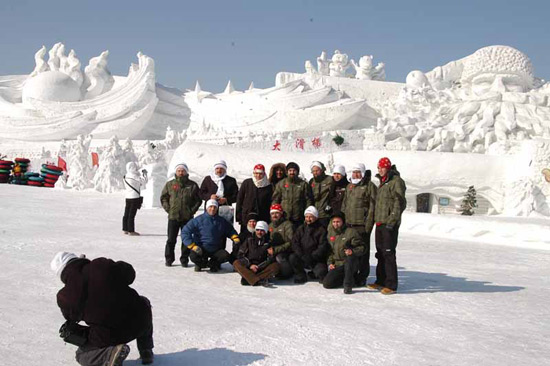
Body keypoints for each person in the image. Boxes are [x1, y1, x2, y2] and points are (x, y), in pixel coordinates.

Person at [51, 252, 154, 366]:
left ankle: (110, 354)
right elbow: (129, 273)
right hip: (141, 320)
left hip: (110, 335)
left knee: (81, 355)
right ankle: (146, 350)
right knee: (143, 303)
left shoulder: (64, 296)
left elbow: (71, 317)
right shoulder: (101, 264)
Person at [368, 157, 407, 295]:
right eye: (378, 167)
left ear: (388, 168)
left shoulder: (396, 182)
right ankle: (380, 280)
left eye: (382, 167)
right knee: (380, 253)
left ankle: (391, 284)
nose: (380, 169)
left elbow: (399, 202)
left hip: (389, 224)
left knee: (389, 254)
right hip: (380, 223)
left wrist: (392, 221)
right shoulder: (383, 182)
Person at [341, 163, 377, 286]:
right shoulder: (349, 186)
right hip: (349, 224)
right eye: (354, 172)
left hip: (361, 225)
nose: (356, 174)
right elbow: (344, 204)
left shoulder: (369, 186)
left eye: (358, 172)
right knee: (351, 251)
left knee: (363, 252)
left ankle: (362, 276)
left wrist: (368, 224)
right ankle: (352, 274)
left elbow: (372, 207)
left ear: (362, 173)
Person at [160, 163, 202, 267]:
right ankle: (169, 259)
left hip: (187, 218)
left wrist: (191, 211)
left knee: (186, 239)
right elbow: (164, 197)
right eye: (179, 171)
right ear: (176, 172)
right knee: (171, 239)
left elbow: (198, 200)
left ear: (186, 172)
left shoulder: (192, 185)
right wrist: (168, 209)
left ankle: (184, 259)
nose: (180, 172)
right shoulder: (170, 184)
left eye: (183, 171)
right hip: (173, 217)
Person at [182, 199, 240, 272]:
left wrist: (235, 237)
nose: (212, 209)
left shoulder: (221, 221)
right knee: (193, 256)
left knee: (225, 256)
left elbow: (230, 230)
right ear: (207, 208)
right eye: (210, 207)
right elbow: (185, 232)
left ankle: (213, 264)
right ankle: (200, 264)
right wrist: (192, 246)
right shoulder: (198, 220)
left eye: (214, 207)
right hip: (201, 249)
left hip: (215, 249)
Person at [322, 212, 365, 294]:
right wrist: (330, 263)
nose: (336, 224)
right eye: (334, 222)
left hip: (349, 263)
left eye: (338, 222)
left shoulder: (351, 232)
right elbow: (330, 251)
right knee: (327, 284)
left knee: (349, 261)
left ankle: (348, 285)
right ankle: (351, 278)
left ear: (343, 222)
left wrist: (352, 251)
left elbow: (362, 247)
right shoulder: (330, 233)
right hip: (338, 265)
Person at [289, 206, 330, 283]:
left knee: (322, 273)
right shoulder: (301, 228)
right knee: (293, 257)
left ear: (316, 217)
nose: (308, 219)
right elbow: (295, 243)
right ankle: (301, 275)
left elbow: (322, 246)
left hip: (316, 259)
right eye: (306, 217)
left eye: (311, 217)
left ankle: (314, 273)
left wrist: (312, 256)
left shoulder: (321, 230)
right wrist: (301, 255)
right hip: (302, 256)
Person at [233, 221, 280, 286]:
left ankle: (249, 279)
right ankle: (258, 280)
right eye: (257, 230)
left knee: (276, 266)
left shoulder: (269, 243)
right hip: (249, 267)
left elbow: (269, 259)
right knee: (236, 263)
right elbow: (240, 255)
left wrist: (258, 267)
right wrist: (250, 265)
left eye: (262, 230)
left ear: (265, 231)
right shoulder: (249, 240)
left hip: (261, 267)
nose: (259, 232)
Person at [272, 162, 313, 228]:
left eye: (294, 170)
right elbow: (275, 200)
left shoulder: (303, 184)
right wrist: (275, 213)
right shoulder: (281, 184)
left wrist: (307, 214)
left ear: (297, 172)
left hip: (299, 218)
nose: (292, 172)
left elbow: (308, 200)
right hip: (284, 217)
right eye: (290, 170)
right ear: (287, 172)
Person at [236, 164, 273, 234]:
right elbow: (239, 199)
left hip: (262, 216)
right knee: (245, 237)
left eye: (260, 174)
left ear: (264, 174)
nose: (258, 176)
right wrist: (239, 216)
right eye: (256, 173)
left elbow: (270, 202)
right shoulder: (247, 183)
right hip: (247, 216)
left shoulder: (268, 186)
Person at [267, 203, 294, 279]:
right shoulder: (270, 225)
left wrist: (276, 249)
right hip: (273, 250)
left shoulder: (287, 225)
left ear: (281, 214)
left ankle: (286, 273)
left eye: (277, 213)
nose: (274, 215)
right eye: (272, 213)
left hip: (286, 250)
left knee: (279, 257)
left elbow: (291, 242)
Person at [122, 162, 148, 236]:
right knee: (132, 214)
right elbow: (144, 181)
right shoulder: (134, 176)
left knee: (126, 213)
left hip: (128, 197)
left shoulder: (126, 176)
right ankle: (131, 230)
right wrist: (145, 174)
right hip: (134, 197)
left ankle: (125, 229)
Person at [308, 161, 333, 228]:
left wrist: (330, 206)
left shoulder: (329, 180)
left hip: (326, 213)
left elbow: (333, 195)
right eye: (313, 171)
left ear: (322, 170)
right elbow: (309, 197)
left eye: (317, 170)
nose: (315, 172)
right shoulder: (311, 181)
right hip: (314, 213)